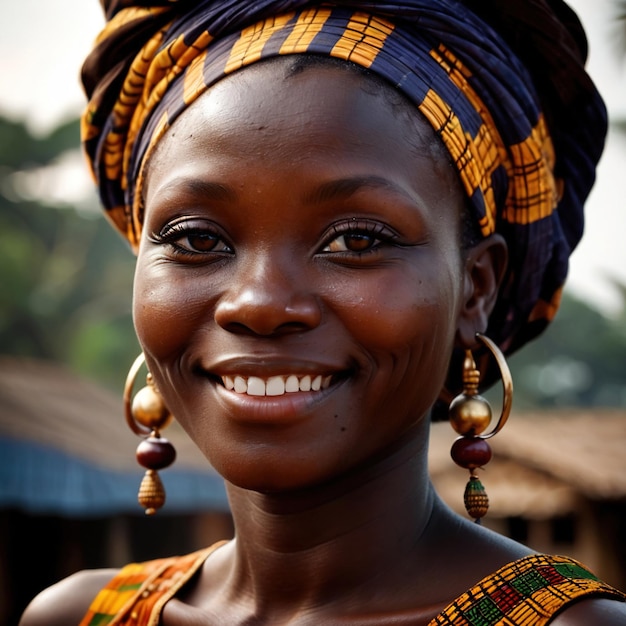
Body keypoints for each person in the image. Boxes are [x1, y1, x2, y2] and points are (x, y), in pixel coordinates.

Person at [19, 1, 626, 624]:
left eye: (356, 241)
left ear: (476, 288)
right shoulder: (78, 616)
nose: (260, 304)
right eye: (198, 239)